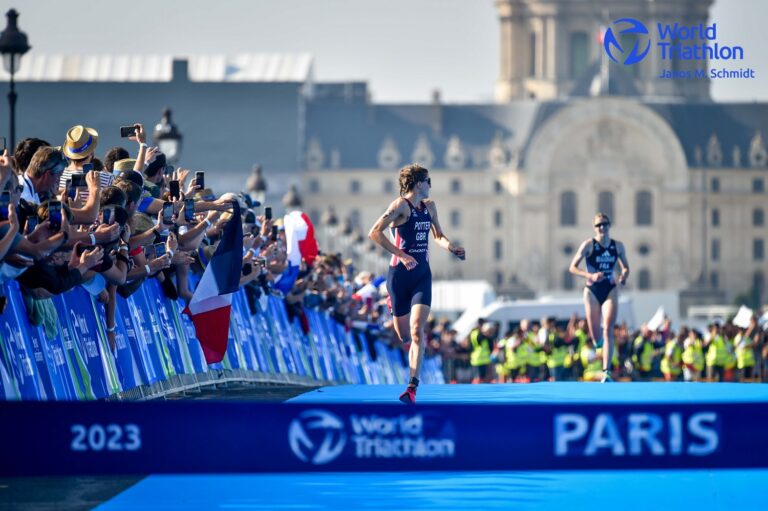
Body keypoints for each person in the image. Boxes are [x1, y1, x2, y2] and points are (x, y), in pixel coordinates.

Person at [368, 164, 465, 404]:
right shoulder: (400, 206)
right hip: (399, 276)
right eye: (429, 181)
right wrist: (401, 255)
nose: (431, 185)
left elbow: (438, 236)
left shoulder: (429, 207)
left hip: (422, 275)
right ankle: (393, 302)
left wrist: (452, 247)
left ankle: (412, 386)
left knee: (416, 331)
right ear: (419, 183)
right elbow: (374, 233)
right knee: (403, 336)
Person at [568, 213, 629, 383]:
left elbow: (626, 267)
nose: (602, 228)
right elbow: (572, 267)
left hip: (610, 288)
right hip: (592, 290)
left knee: (608, 328)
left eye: (605, 224)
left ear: (609, 225)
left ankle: (606, 372)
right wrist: (590, 275)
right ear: (594, 228)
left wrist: (623, 276)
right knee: (596, 335)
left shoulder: (618, 246)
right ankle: (598, 343)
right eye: (598, 225)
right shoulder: (588, 245)